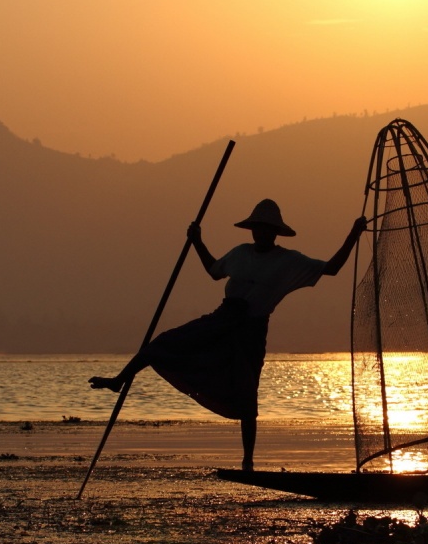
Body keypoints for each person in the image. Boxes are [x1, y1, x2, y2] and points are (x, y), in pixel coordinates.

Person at [90, 198, 367, 471]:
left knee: (247, 395)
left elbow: (331, 268)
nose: (261, 233)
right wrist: (197, 240)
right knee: (162, 343)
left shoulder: (288, 261)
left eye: (266, 229)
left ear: (274, 232)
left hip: (251, 330)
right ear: (252, 230)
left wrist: (353, 234)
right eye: (257, 228)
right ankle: (119, 380)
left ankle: (248, 460)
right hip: (221, 320)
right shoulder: (240, 253)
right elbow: (214, 271)